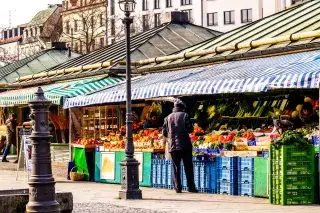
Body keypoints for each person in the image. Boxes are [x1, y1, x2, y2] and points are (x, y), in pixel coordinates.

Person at [162, 99, 198, 193]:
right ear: (182, 107)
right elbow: (190, 129)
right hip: (185, 145)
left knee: (176, 167)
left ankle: (178, 187)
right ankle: (191, 187)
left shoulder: (167, 117)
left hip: (172, 145)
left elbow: (164, 132)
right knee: (188, 167)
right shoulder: (185, 115)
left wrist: (171, 136)